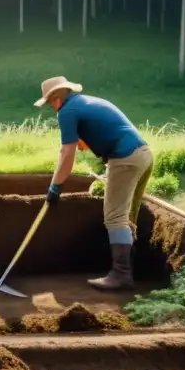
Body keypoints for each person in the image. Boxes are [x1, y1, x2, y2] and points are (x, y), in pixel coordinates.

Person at [35, 76, 153, 291]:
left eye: (51, 102)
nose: (52, 107)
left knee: (114, 216)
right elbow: (104, 131)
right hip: (143, 155)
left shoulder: (67, 111)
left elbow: (67, 153)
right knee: (127, 216)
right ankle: (133, 268)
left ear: (56, 98)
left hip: (125, 158)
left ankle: (121, 275)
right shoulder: (87, 102)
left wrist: (56, 186)